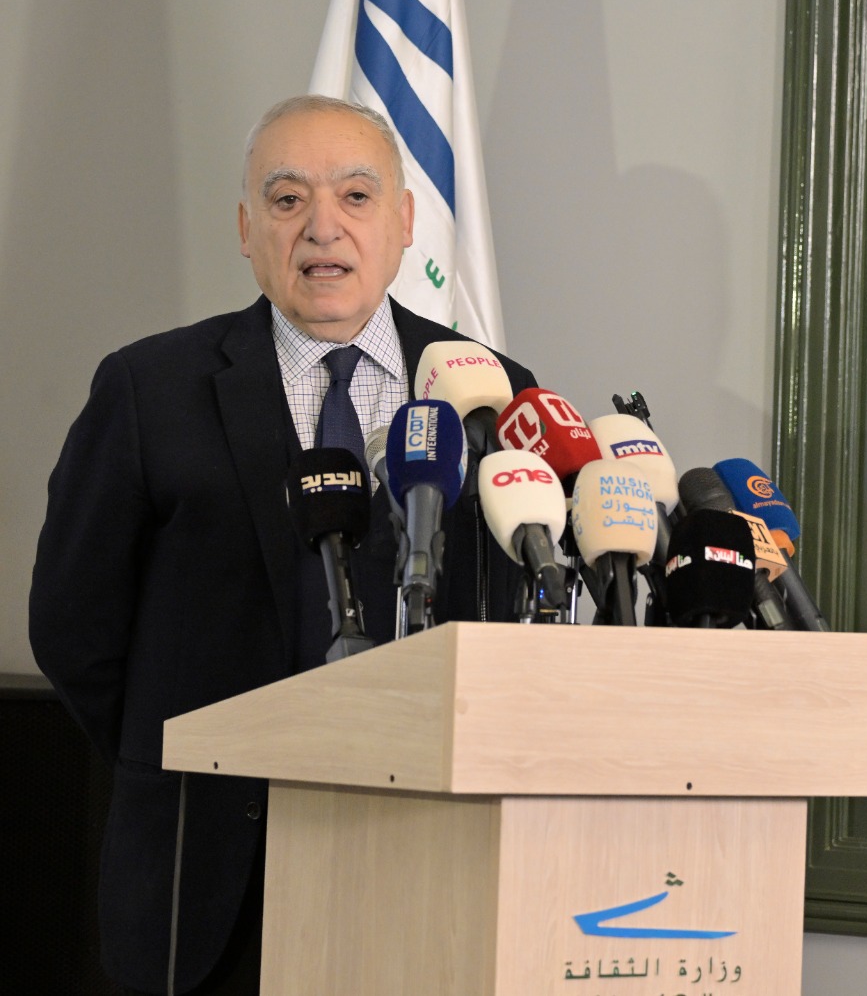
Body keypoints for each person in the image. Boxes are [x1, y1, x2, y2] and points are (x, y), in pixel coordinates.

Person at [29, 94, 537, 995]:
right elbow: (75, 623)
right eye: (288, 198)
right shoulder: (150, 388)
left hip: (428, 854)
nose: (322, 228)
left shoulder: (491, 394)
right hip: (204, 875)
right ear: (246, 227)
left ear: (405, 222)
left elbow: (509, 621)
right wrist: (187, 758)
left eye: (355, 196)